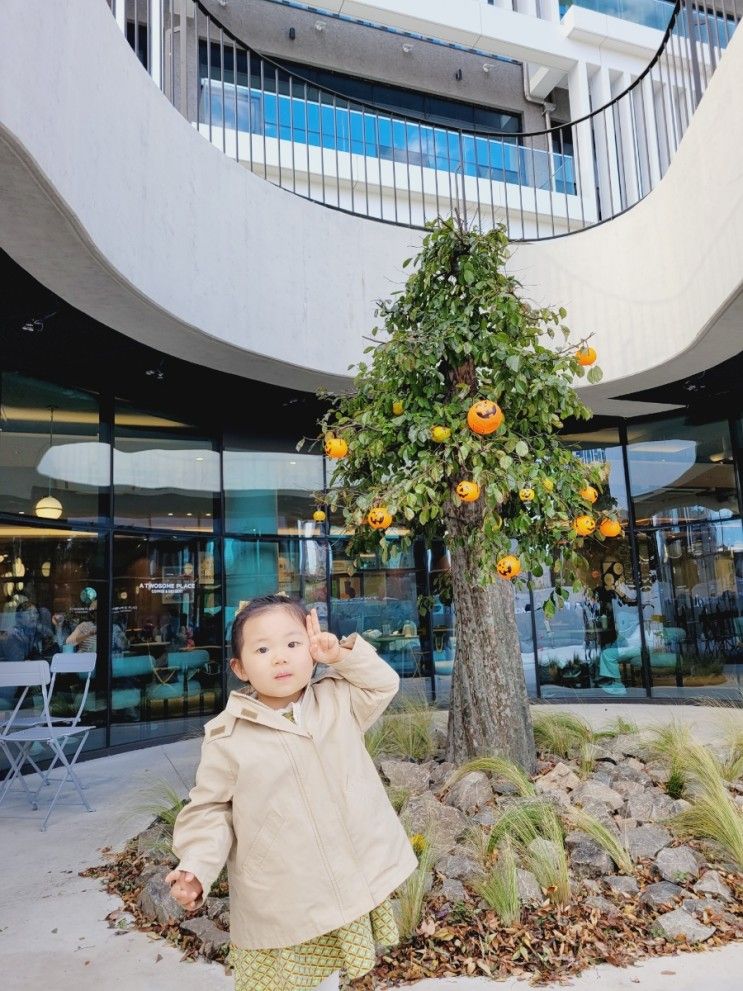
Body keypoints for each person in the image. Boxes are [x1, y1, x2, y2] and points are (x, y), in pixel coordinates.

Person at [166, 593, 417, 991]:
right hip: (283, 893)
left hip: (343, 877)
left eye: (293, 644)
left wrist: (341, 656)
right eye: (262, 649)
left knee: (339, 974)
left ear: (312, 652)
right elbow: (211, 809)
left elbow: (384, 683)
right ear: (240, 667)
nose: (280, 657)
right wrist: (196, 864)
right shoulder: (227, 738)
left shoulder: (338, 699)